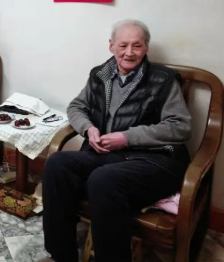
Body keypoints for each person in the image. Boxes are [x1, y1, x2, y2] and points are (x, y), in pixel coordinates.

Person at [41, 20, 191, 262]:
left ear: (146, 47)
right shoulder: (100, 75)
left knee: (103, 179)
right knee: (56, 164)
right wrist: (88, 129)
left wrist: (126, 137)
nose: (129, 52)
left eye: (137, 46)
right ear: (111, 46)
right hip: (108, 155)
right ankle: (61, 255)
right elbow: (76, 107)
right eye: (123, 45)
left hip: (154, 160)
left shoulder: (163, 79)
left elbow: (180, 126)